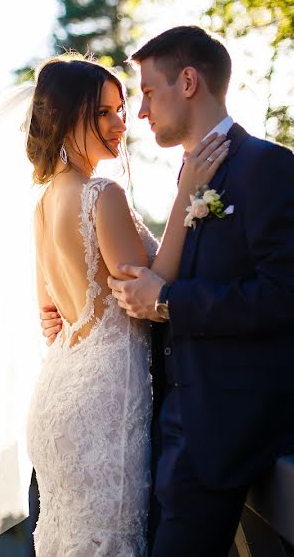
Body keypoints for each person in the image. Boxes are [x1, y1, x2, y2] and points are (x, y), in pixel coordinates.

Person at [41, 26, 294, 556]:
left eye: (147, 92)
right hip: (165, 431)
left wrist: (168, 301)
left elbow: (293, 294)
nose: (139, 113)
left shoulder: (265, 166)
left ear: (188, 81)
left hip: (233, 429)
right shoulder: (186, 181)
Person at [25, 53, 229, 556]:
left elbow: (49, 312)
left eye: (120, 110)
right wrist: (189, 190)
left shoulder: (43, 203)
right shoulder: (102, 194)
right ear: (69, 116)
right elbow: (151, 287)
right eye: (104, 113)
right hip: (103, 399)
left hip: (56, 394)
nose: (121, 124)